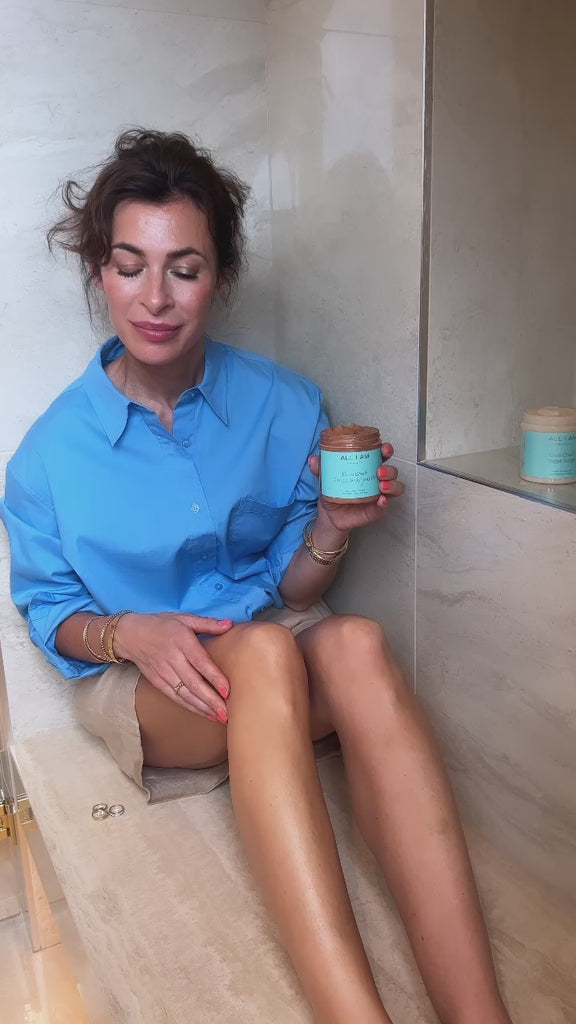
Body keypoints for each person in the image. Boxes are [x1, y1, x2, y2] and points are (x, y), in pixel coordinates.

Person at [0, 129, 512, 1024]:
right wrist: (128, 632)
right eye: (130, 266)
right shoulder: (50, 454)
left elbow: (292, 592)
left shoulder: (285, 401)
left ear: (221, 278)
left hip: (267, 644)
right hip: (149, 680)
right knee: (269, 655)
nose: (155, 298)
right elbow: (49, 611)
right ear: (100, 273)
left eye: (184, 269)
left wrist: (331, 527)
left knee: (355, 642)